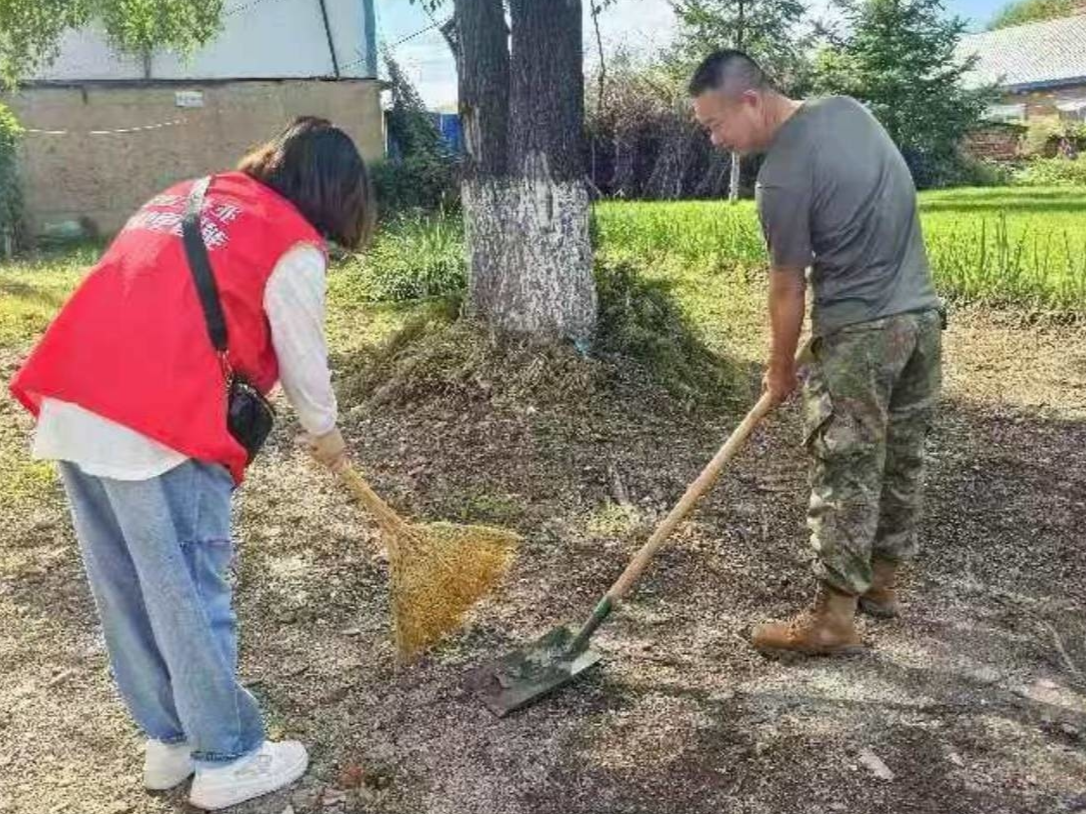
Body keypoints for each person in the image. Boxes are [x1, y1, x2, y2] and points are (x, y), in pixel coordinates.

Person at [9, 117, 374, 809]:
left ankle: (169, 742)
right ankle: (227, 756)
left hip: (79, 397)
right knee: (187, 588)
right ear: (334, 193)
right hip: (160, 418)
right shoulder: (287, 239)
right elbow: (303, 356)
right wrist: (324, 433)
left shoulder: (190, 195)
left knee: (127, 586)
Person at [688, 51, 944, 657]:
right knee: (902, 457)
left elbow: (787, 285)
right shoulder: (849, 110)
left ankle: (834, 618)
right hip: (921, 319)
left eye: (715, 124)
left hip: (862, 333)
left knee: (847, 466)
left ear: (751, 100)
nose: (716, 139)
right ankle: (880, 584)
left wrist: (778, 370)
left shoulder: (780, 176)